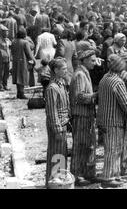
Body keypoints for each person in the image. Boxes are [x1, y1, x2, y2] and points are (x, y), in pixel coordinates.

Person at [97, 54, 127, 188]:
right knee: (113, 150)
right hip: (114, 120)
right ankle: (108, 177)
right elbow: (125, 103)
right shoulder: (117, 82)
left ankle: (114, 175)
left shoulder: (104, 78)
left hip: (104, 119)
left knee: (112, 149)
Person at [69, 49, 98, 186]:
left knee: (88, 145)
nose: (95, 63)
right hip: (81, 115)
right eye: (92, 60)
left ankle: (87, 172)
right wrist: (95, 96)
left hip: (87, 115)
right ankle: (76, 174)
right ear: (85, 60)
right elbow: (79, 96)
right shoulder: (80, 74)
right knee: (80, 146)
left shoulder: (85, 73)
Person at [45, 58, 70, 188]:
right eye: (64, 68)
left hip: (63, 123)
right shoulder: (52, 88)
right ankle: (54, 181)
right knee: (57, 154)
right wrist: (57, 129)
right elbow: (52, 111)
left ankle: (59, 180)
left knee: (61, 153)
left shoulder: (61, 84)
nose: (66, 70)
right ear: (56, 70)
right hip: (58, 125)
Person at [11, 27, 35, 99]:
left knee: (17, 77)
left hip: (15, 61)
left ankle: (19, 92)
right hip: (23, 61)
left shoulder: (13, 41)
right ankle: (21, 93)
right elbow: (29, 53)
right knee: (22, 77)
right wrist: (33, 60)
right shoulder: (25, 42)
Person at [0, 25, 11, 91]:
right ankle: (0, 86)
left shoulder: (7, 40)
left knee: (6, 73)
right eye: (5, 32)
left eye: (7, 32)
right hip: (1, 59)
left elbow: (10, 46)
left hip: (7, 58)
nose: (7, 34)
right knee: (1, 73)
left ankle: (5, 85)